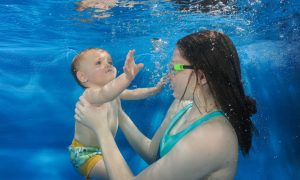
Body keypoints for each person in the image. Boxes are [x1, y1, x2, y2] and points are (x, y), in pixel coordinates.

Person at [75, 30, 257, 179]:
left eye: (175, 68)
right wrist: (119, 113)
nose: (168, 75)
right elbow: (152, 154)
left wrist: (101, 129)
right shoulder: (183, 106)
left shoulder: (213, 136)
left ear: (201, 76)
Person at [69, 48, 164, 179]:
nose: (108, 64)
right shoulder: (90, 94)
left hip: (103, 149)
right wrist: (127, 77)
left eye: (110, 61)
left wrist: (154, 90)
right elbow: (106, 93)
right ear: (83, 76)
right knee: (114, 174)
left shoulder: (113, 93)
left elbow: (133, 93)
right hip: (85, 154)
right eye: (99, 63)